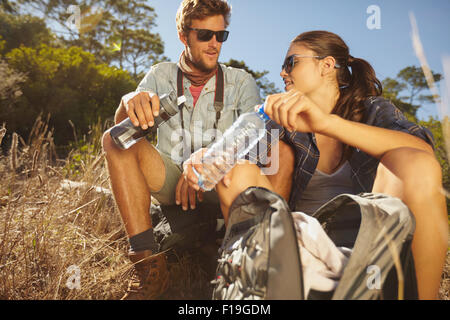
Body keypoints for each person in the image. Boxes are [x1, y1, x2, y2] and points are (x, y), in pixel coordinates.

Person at [184, 30, 448, 300]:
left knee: (414, 162)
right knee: (236, 173)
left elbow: (422, 152)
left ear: (326, 65)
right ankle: (267, 289)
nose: (282, 73)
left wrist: (326, 123)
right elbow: (236, 171)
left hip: (368, 250)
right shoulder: (276, 119)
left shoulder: (373, 111)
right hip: (297, 247)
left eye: (291, 63)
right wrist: (207, 157)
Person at [101, 0, 262, 300]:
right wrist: (128, 102)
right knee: (113, 140)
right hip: (171, 181)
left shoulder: (241, 81)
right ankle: (147, 267)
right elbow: (124, 132)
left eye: (221, 36)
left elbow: (255, 140)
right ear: (183, 36)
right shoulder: (159, 74)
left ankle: (236, 271)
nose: (215, 44)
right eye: (205, 35)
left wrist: (204, 164)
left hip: (223, 180)